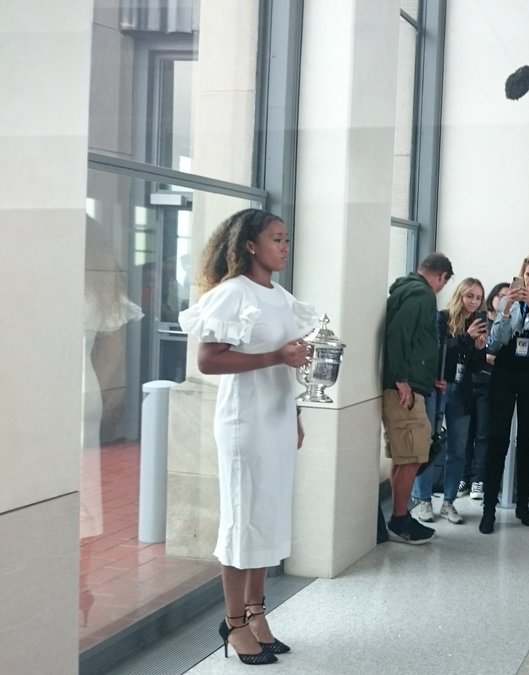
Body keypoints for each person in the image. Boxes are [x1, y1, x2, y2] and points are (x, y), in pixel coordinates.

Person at [180, 208, 320, 665]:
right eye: (276, 239)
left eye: (286, 239)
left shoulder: (281, 297)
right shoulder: (231, 294)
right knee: (243, 518)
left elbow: (291, 360)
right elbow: (208, 361)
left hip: (276, 418)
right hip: (245, 422)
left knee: (268, 515)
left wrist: (295, 414)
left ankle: (257, 612)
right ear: (250, 245)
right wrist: (276, 356)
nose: (285, 247)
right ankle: (234, 621)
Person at [479, 254, 529, 534]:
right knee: (497, 438)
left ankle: (522, 504)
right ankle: (488, 509)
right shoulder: (509, 301)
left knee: (527, 439)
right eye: (527, 274)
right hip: (505, 372)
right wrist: (507, 309)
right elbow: (497, 340)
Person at [382, 252, 454, 545]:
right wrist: (402, 379)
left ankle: (400, 516)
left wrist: (424, 377)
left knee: (405, 455)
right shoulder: (422, 295)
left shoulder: (406, 289)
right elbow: (399, 333)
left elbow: (413, 342)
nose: (441, 288)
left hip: (410, 384)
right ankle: (400, 520)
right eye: (443, 283)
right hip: (404, 389)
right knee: (413, 454)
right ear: (441, 276)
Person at [410, 278, 489, 525]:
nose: (473, 302)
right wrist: (466, 337)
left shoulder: (478, 324)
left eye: (478, 298)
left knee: (457, 449)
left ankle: (448, 502)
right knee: (428, 444)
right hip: (438, 388)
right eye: (469, 296)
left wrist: (479, 348)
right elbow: (439, 351)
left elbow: (476, 366)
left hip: (462, 391)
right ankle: (424, 500)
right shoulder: (442, 318)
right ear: (460, 295)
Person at [465, 282, 511, 500]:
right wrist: (486, 356)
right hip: (469, 382)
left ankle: (478, 479)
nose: (503, 300)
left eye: (508, 297)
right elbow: (470, 349)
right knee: (466, 433)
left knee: (483, 433)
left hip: (490, 384)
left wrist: (491, 358)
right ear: (492, 297)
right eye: (500, 295)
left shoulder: (506, 324)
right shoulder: (479, 319)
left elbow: (505, 356)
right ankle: (463, 477)